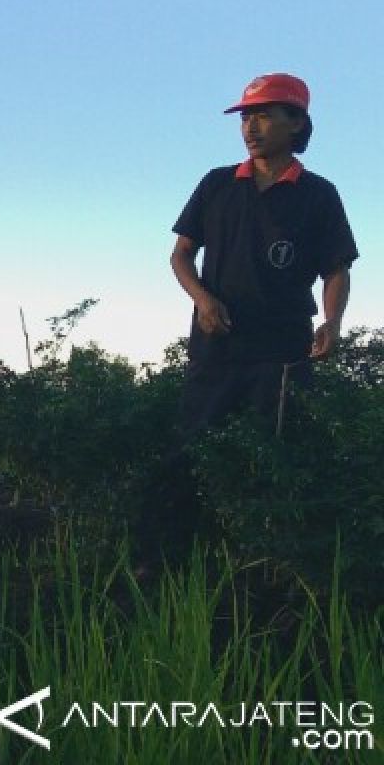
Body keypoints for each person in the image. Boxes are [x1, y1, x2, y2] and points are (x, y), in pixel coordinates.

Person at [139, 73, 359, 569]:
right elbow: (179, 256)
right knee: (190, 452)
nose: (250, 126)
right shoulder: (217, 184)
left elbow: (336, 269)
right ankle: (161, 561)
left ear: (297, 122)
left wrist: (332, 322)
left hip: (283, 351)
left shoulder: (318, 194)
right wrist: (201, 299)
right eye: (245, 116)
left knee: (277, 457)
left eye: (263, 115)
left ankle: (273, 566)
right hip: (216, 346)